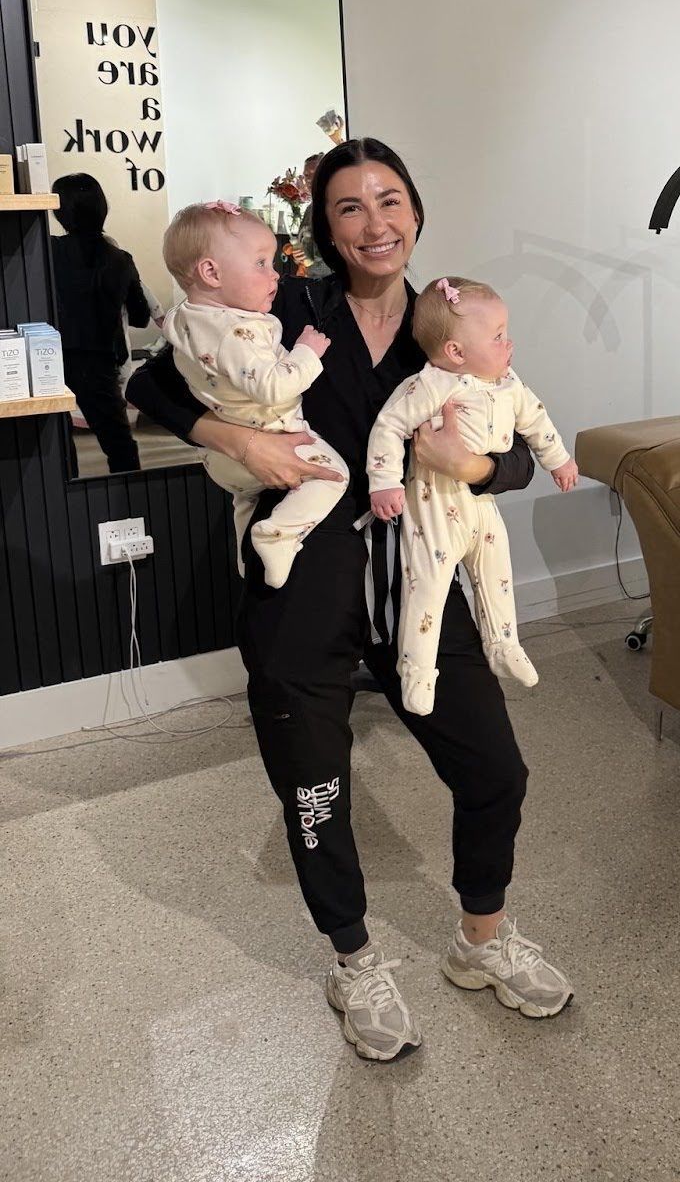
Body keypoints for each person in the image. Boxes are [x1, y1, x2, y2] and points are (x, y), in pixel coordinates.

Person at [126, 137, 572, 1062]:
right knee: (317, 791)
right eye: (350, 208)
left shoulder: (449, 316)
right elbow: (149, 382)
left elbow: (520, 436)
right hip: (305, 598)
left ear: (416, 209)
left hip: (421, 586)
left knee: (497, 772)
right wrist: (235, 441)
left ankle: (480, 942)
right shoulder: (278, 307)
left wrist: (476, 464)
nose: (377, 223)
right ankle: (355, 959)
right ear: (321, 229)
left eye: (392, 200)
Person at [368, 274, 579, 715]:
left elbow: (536, 422)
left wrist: (558, 460)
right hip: (434, 503)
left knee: (497, 571)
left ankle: (503, 644)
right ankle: (417, 671)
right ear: (456, 352)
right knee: (427, 588)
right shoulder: (427, 386)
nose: (509, 343)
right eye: (498, 336)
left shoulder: (509, 383)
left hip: (481, 501)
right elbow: (388, 426)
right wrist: (384, 480)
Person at [159, 200, 347, 587]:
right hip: (273, 437)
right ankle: (276, 536)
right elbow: (275, 385)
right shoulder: (237, 332)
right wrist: (307, 352)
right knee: (333, 476)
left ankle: (251, 558)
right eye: (261, 264)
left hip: (221, 461)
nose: (275, 275)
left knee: (245, 499)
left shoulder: (185, 320)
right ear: (211, 272)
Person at [51, 172, 154, 475]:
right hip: (100, 363)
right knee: (119, 444)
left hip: (51, 358)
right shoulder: (120, 258)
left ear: (60, 210)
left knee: (54, 440)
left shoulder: (47, 252)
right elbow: (140, 316)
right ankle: (130, 507)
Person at [293, 152, 331, 278]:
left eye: (314, 173)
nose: (309, 180)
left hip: (336, 282)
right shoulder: (310, 209)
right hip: (314, 281)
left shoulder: (337, 206)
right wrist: (297, 255)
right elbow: (301, 243)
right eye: (306, 175)